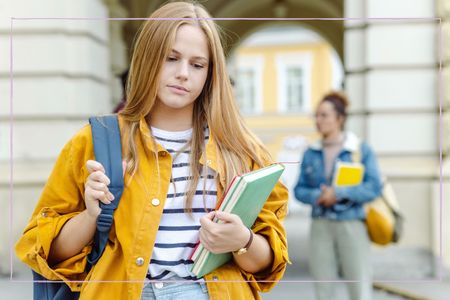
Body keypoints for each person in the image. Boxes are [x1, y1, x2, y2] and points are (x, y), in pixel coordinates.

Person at [15, 2, 289, 300]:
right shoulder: (95, 142)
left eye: (198, 64)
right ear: (147, 58)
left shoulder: (242, 150)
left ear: (211, 73)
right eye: (171, 58)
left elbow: (266, 265)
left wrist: (242, 241)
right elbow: (49, 254)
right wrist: (90, 215)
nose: (183, 73)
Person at [294, 91, 382, 300]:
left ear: (339, 118)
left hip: (351, 223)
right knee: (323, 289)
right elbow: (299, 189)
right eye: (316, 115)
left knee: (359, 286)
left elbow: (373, 186)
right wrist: (319, 196)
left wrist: (339, 193)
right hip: (320, 225)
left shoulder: (359, 150)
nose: (318, 120)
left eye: (324, 115)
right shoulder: (311, 152)